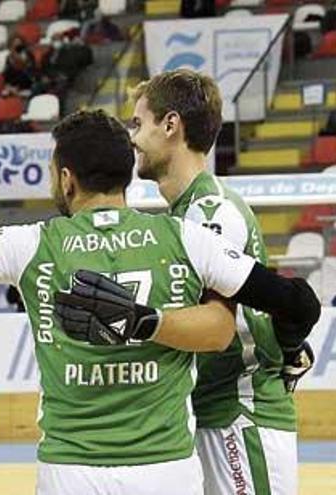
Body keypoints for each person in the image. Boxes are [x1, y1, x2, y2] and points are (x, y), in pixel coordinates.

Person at [0, 109, 320, 495]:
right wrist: (289, 347)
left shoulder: (33, 243)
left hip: (70, 471)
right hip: (167, 469)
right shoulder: (186, 238)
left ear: (66, 177)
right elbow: (295, 302)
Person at [129, 69, 314, 495]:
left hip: (238, 414)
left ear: (171, 125)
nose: (133, 137)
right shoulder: (186, 213)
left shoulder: (209, 213)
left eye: (139, 123)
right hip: (213, 414)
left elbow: (216, 325)